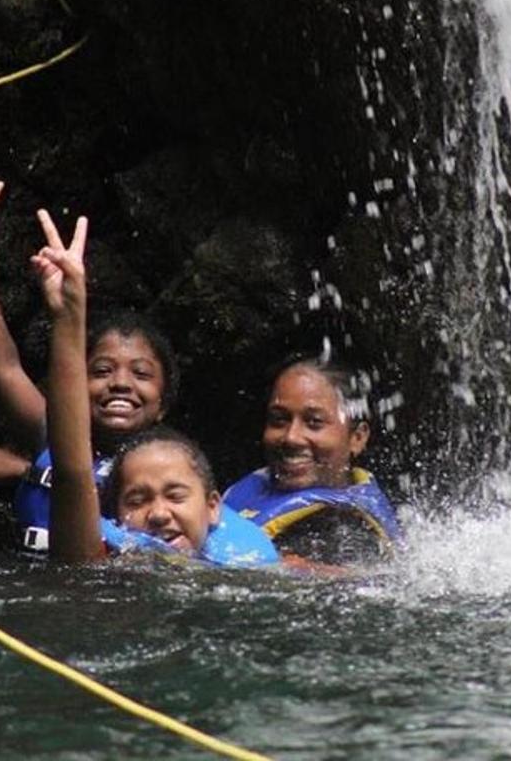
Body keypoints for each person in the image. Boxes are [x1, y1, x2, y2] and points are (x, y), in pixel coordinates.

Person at [31, 209, 277, 567]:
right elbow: (73, 472)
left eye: (176, 496)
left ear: (212, 507)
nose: (159, 514)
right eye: (137, 500)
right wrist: (70, 317)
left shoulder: (249, 566)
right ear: (114, 516)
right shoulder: (99, 559)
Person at [0, 178, 176, 551]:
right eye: (102, 370)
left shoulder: (167, 465)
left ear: (164, 404)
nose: (120, 383)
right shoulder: (50, 428)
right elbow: (1, 367)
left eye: (141, 374)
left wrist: (23, 471)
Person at [223, 355, 404, 567]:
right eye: (279, 420)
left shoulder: (345, 531)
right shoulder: (260, 485)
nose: (291, 437)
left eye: (314, 422)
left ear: (357, 438)